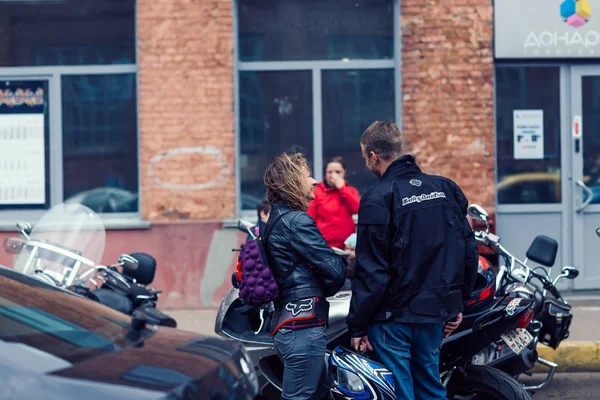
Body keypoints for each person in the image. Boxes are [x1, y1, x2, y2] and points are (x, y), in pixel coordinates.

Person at [346, 121, 478, 400]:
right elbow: (467, 251)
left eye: (363, 156)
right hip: (433, 315)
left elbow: (372, 271)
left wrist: (357, 326)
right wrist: (457, 304)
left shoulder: (377, 198)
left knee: (401, 393)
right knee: (431, 387)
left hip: (392, 319)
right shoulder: (445, 188)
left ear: (373, 156)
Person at [263, 152, 347, 400]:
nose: (314, 181)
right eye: (307, 176)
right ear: (291, 183)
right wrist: (338, 266)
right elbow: (335, 271)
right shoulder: (297, 221)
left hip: (290, 325)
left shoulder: (276, 220)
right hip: (303, 329)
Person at [307, 156, 360, 249]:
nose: (333, 175)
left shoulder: (350, 191)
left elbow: (357, 209)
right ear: (325, 173)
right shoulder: (316, 192)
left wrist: (342, 188)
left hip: (347, 247)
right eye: (330, 172)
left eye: (338, 172)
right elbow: (309, 219)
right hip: (324, 246)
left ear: (344, 173)